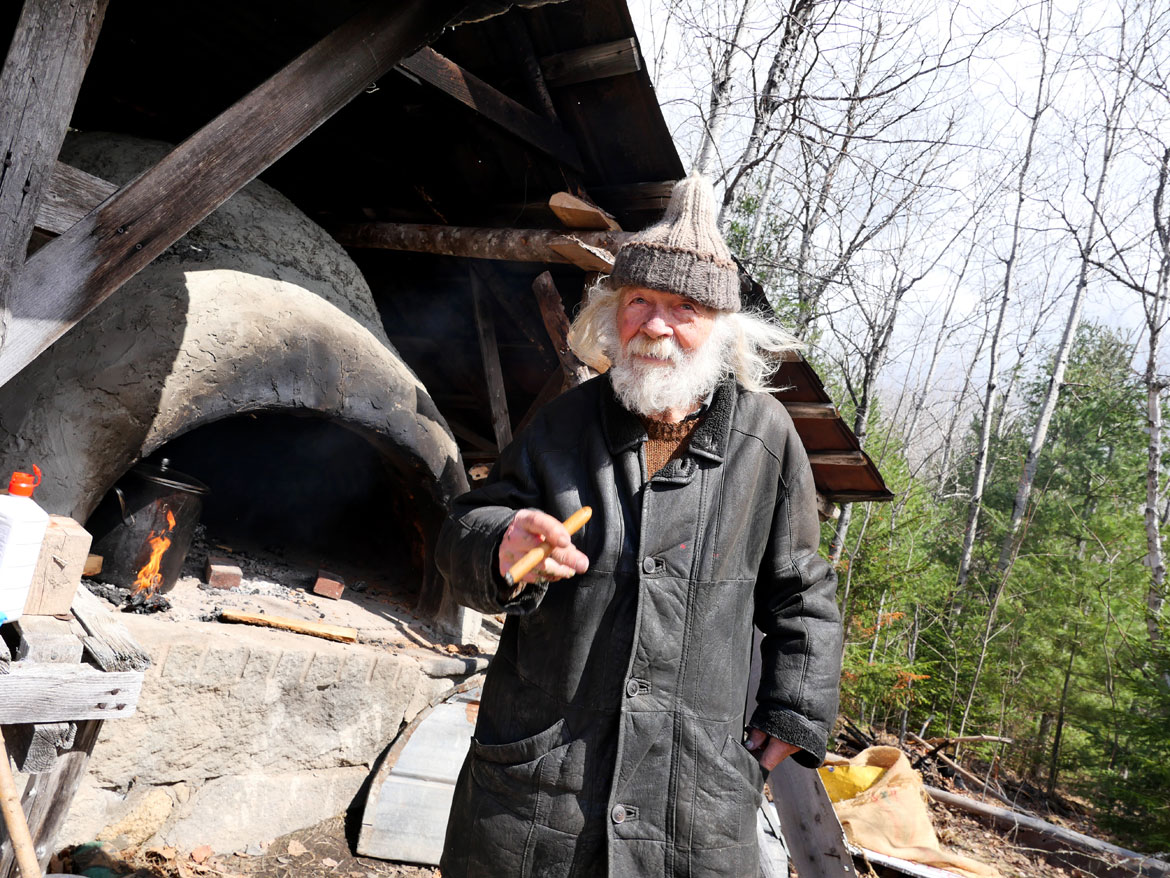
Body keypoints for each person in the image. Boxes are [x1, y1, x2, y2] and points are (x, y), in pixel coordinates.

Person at [436, 173, 842, 877]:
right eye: (640, 302)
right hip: (545, 780)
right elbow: (465, 529)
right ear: (613, 313)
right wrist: (502, 545)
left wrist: (793, 714)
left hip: (694, 790)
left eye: (685, 308)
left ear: (721, 329)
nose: (656, 325)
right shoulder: (564, 423)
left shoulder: (766, 438)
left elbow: (802, 591)